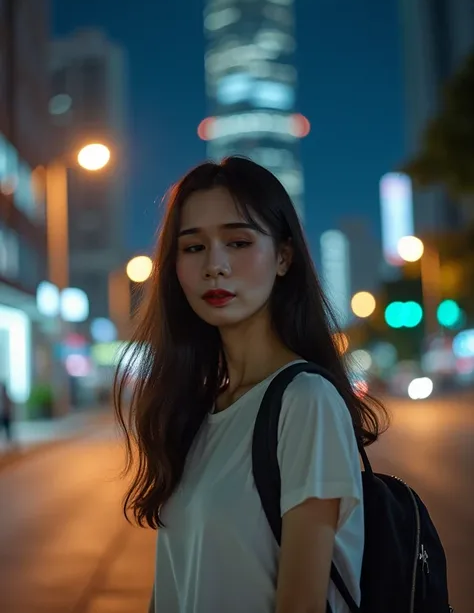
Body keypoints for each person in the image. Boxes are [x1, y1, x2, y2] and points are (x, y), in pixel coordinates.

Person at [114, 157, 388, 613]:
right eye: (193, 247)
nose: (215, 266)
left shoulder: (305, 402)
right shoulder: (197, 413)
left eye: (238, 242)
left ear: (283, 257)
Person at [0, 380, 13, 445]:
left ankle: (11, 444)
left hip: (5, 416)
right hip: (3, 416)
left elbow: (8, 406)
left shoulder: (6, 397)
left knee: (8, 431)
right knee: (7, 431)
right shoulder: (3, 397)